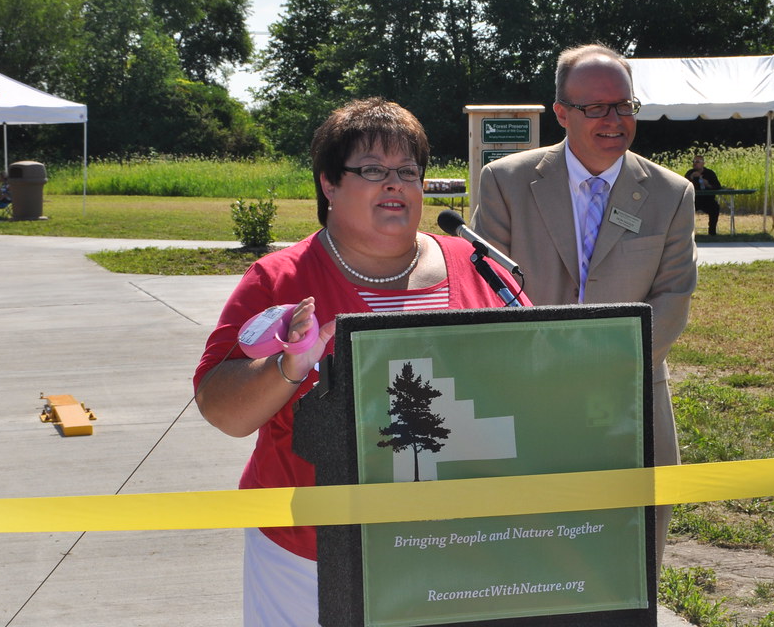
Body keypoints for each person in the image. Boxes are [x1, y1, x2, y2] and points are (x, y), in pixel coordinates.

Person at [193, 97, 529, 626]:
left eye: (407, 172)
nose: (394, 184)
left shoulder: (480, 269)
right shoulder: (280, 280)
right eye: (372, 170)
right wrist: (288, 368)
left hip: (462, 547)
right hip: (310, 555)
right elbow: (221, 410)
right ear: (329, 184)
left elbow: (537, 378)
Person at [471, 43, 697, 570]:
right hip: (527, 394)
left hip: (630, 394)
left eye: (623, 105)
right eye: (595, 107)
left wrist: (604, 368)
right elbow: (487, 286)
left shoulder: (672, 194)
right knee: (529, 553)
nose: (613, 119)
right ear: (562, 113)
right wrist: (545, 370)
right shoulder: (506, 182)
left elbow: (672, 298)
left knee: (629, 559)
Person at [685, 155, 724, 235]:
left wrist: (708, 185)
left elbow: (717, 187)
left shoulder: (710, 173)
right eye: (693, 162)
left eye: (697, 162)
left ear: (703, 163)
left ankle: (712, 232)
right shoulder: (690, 173)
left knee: (715, 208)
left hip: (708, 200)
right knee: (684, 209)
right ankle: (687, 233)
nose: (695, 164)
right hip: (694, 200)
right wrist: (691, 178)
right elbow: (683, 186)